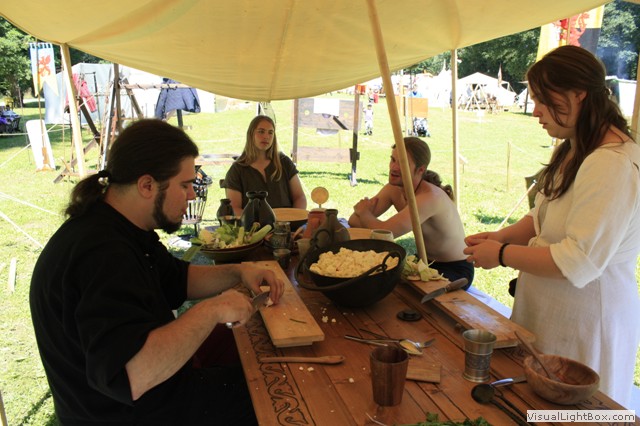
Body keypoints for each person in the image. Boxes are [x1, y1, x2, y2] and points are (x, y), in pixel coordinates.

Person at [30, 119, 284, 425]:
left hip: (155, 393)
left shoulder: (123, 226)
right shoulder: (102, 255)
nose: (192, 195)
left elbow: (176, 278)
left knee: (259, 360)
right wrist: (212, 310)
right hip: (128, 414)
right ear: (147, 185)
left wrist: (239, 272)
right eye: (184, 185)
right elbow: (132, 375)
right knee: (274, 392)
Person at [463, 45, 640, 407]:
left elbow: (578, 260)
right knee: (537, 404)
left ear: (579, 94)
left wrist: (501, 254)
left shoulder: (611, 163)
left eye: (544, 100)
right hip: (554, 312)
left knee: (573, 411)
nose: (536, 111)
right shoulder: (577, 148)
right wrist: (501, 236)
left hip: (585, 321)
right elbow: (542, 216)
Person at [348, 137, 473, 288]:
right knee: (373, 275)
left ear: (420, 170)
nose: (394, 167)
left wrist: (364, 213)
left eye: (402, 163)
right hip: (424, 261)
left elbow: (385, 234)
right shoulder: (394, 188)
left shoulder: (430, 197)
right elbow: (353, 221)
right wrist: (363, 214)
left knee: (393, 287)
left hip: (455, 268)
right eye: (393, 160)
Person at [223, 115, 307, 215]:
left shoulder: (283, 162)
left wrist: (294, 217)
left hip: (287, 221)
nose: (266, 136)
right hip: (253, 224)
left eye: (270, 132)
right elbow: (234, 208)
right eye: (261, 131)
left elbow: (300, 197)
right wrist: (258, 221)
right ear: (251, 134)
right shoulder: (238, 169)